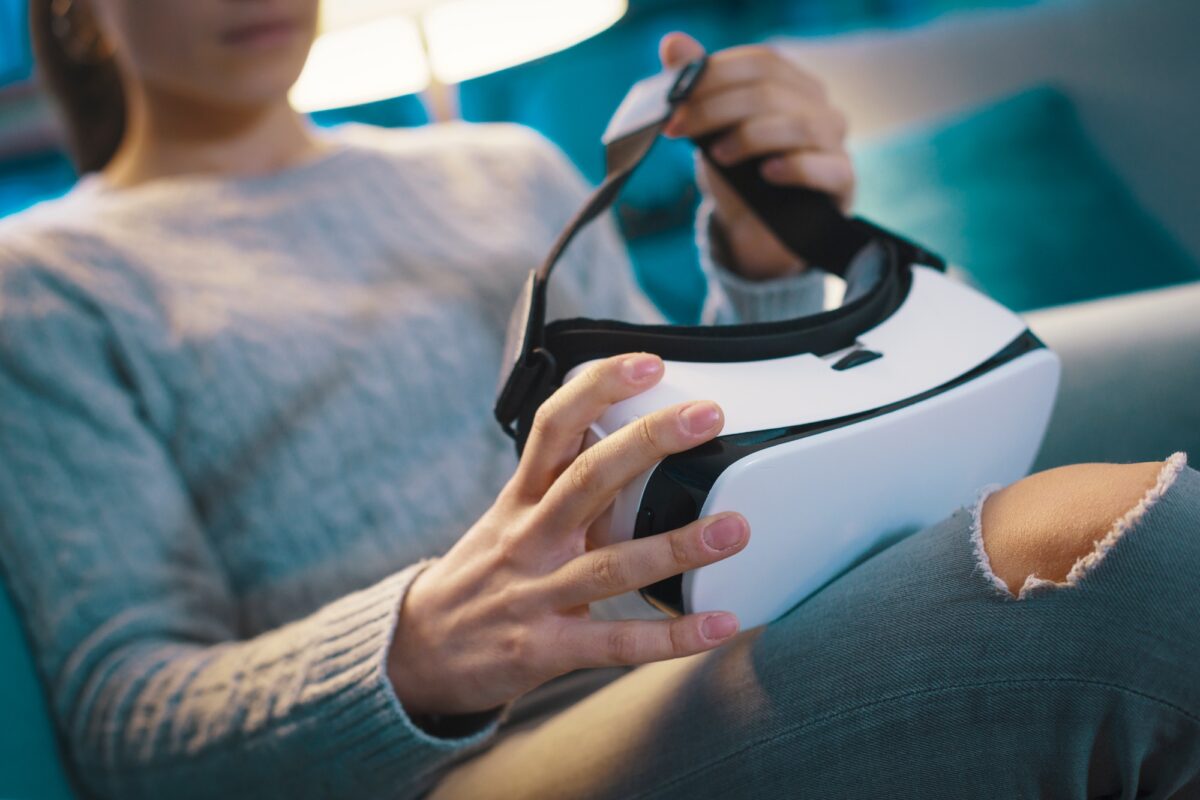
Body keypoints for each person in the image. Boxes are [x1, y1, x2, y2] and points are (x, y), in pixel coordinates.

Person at [0, 1, 1196, 798]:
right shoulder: (47, 281)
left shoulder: (501, 169)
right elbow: (126, 720)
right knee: (1124, 560)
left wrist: (769, 257)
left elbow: (675, 449)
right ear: (76, 13)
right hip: (451, 764)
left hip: (688, 647)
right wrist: (424, 646)